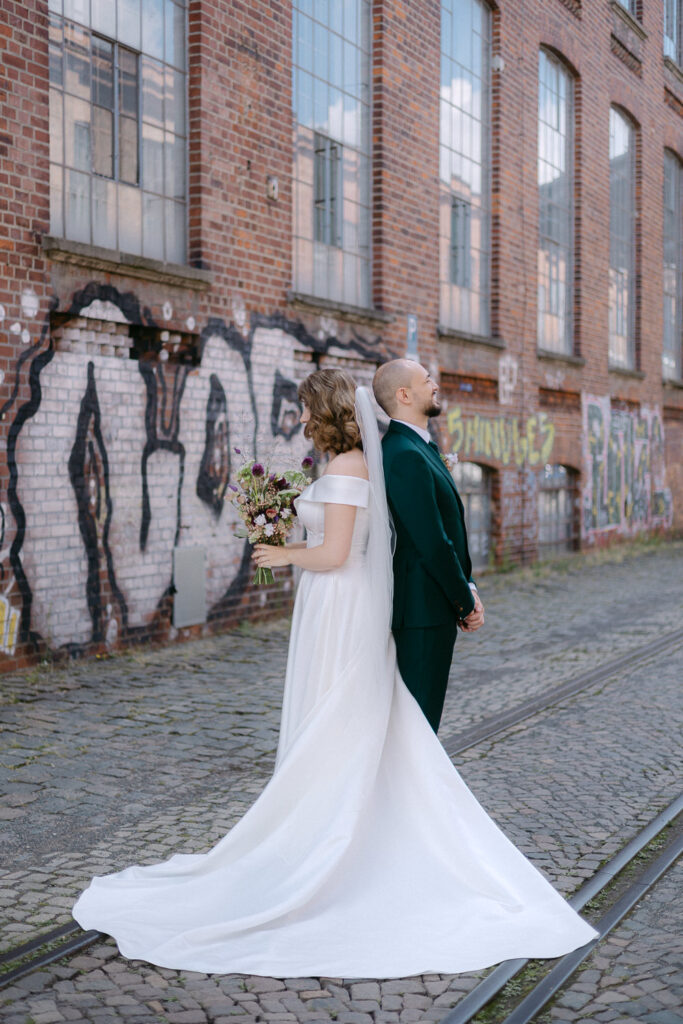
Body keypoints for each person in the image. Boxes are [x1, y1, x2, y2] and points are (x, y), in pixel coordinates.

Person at [73, 367, 597, 978]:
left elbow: (337, 552)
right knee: (339, 712)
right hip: (332, 602)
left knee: (340, 711)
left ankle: (340, 837)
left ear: (324, 414)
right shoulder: (348, 467)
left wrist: (281, 551)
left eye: (302, 410)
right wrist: (272, 514)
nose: (297, 420)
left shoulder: (351, 468)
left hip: (340, 601)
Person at [373, 358, 482, 733]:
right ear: (404, 394)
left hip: (432, 609)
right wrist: (464, 601)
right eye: (427, 380)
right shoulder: (403, 454)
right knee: (417, 730)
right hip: (421, 613)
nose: (435, 385)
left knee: (421, 727)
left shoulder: (421, 447)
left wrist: (468, 586)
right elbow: (431, 540)